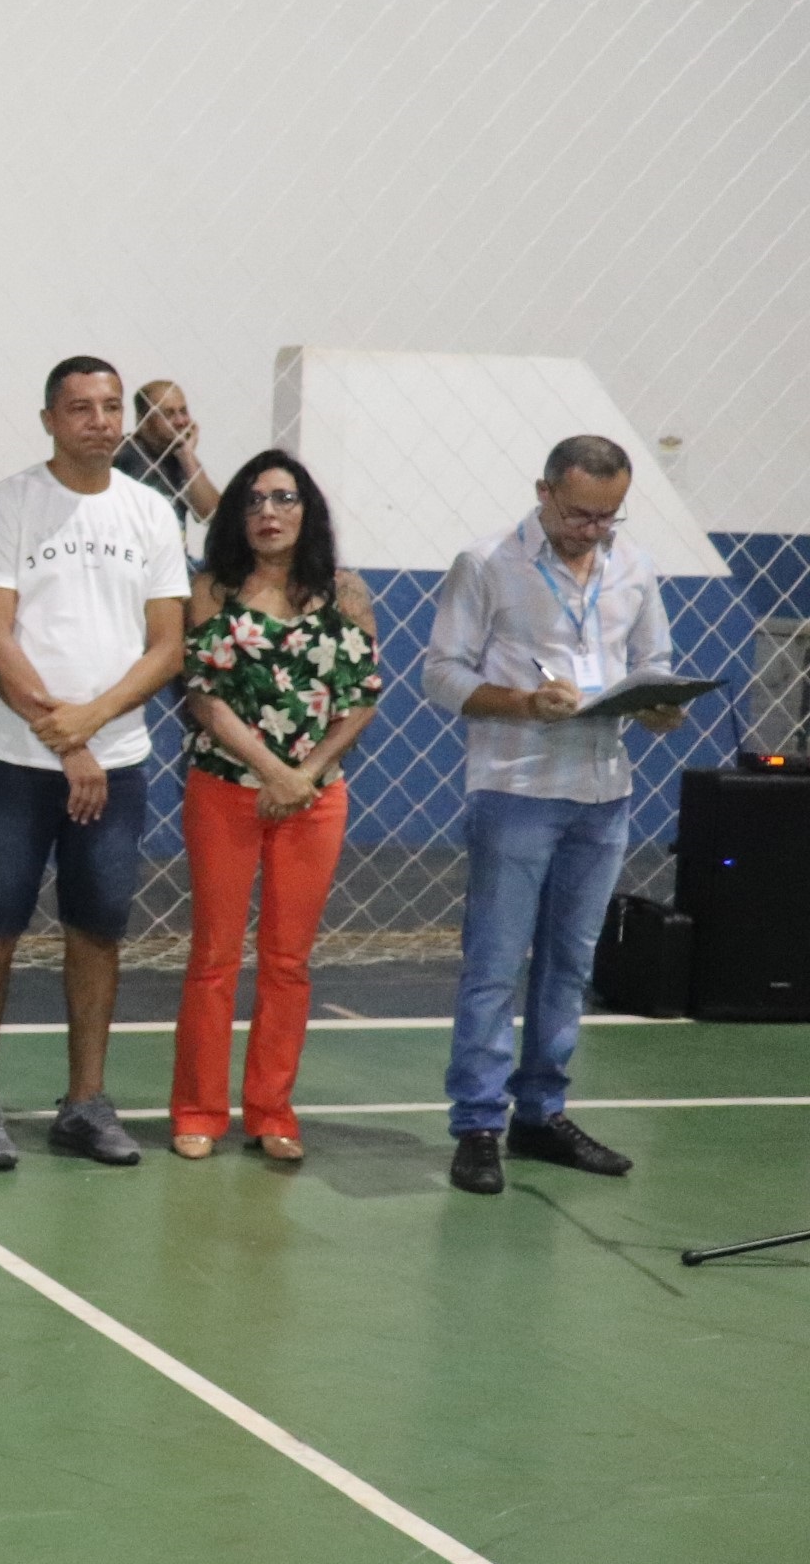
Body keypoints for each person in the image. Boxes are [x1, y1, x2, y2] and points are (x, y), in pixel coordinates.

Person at [423, 434, 689, 1196]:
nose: (593, 531)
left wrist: (660, 706)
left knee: (570, 965)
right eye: (578, 515)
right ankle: (478, 1123)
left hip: (604, 791)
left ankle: (541, 1113)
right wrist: (524, 704)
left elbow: (654, 664)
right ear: (544, 493)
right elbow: (441, 674)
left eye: (608, 517)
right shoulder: (487, 564)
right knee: (495, 963)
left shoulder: (633, 567)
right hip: (516, 786)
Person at [0, 357, 191, 1171]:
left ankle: (85, 1102)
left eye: (112, 406)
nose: (100, 421)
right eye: (81, 407)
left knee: (97, 932)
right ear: (50, 419)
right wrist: (68, 740)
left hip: (116, 764)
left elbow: (167, 647)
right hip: (16, 761)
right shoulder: (9, 502)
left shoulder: (152, 513)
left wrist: (91, 727)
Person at [170, 451, 380, 1162]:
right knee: (214, 957)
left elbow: (363, 696)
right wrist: (271, 771)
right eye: (255, 500)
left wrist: (305, 775)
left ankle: (272, 1111)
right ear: (236, 514)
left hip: (314, 800)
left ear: (307, 510)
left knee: (288, 961)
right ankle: (199, 1111)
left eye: (284, 498)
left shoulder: (345, 592)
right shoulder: (212, 589)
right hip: (224, 789)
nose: (269, 512)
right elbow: (203, 695)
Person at [115, 378, 220, 535]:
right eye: (169, 414)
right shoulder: (120, 452)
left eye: (183, 411)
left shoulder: (182, 459)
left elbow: (213, 517)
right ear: (143, 420)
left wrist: (187, 456)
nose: (181, 421)